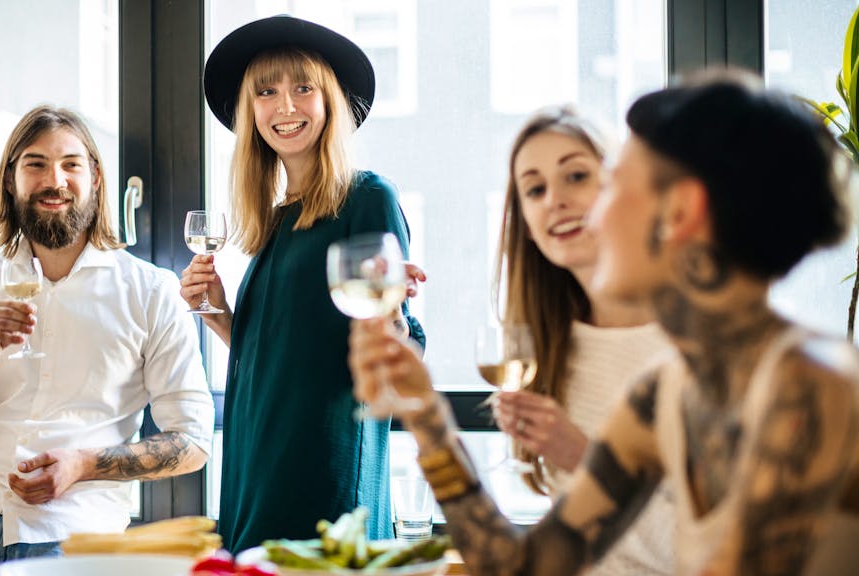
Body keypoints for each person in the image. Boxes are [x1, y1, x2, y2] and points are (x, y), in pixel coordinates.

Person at [349, 69, 859, 575]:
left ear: (680, 212)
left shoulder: (811, 385)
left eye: (611, 185)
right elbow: (525, 567)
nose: (591, 217)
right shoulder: (661, 393)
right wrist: (425, 415)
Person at [0, 106, 215, 563]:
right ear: (10, 179)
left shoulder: (151, 291)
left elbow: (192, 441)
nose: (55, 181)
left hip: (75, 528)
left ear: (95, 177)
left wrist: (84, 465)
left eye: (71, 164)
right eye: (36, 164)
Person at [182, 15, 424, 554]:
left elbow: (399, 350)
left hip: (323, 466)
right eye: (266, 92)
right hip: (257, 457)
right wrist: (219, 312)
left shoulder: (368, 198)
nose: (285, 106)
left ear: (330, 102)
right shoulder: (275, 221)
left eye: (303, 88)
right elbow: (278, 355)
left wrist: (393, 316)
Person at [486, 106, 674, 575]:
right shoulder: (551, 345)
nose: (555, 200)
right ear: (525, 223)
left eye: (576, 176)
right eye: (535, 189)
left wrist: (586, 459)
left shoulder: (686, 341)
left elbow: (713, 538)